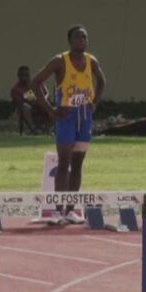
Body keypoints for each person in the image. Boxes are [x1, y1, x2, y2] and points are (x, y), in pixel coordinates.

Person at [30, 25, 106, 223]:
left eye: (85, 37)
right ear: (70, 41)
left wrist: (94, 103)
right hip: (66, 115)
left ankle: (71, 210)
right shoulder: (59, 61)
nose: (82, 40)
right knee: (64, 162)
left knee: (78, 164)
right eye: (78, 37)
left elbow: (102, 82)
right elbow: (35, 82)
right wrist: (50, 110)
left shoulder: (91, 60)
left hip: (85, 115)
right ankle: (57, 210)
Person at [10, 65, 50, 134]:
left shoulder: (37, 83)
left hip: (41, 107)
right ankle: (34, 129)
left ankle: (48, 129)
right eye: (22, 75)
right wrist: (29, 88)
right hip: (28, 110)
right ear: (18, 76)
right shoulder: (16, 89)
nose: (24, 77)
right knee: (26, 107)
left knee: (53, 106)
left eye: (26, 75)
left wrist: (44, 99)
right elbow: (22, 103)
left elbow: (46, 93)